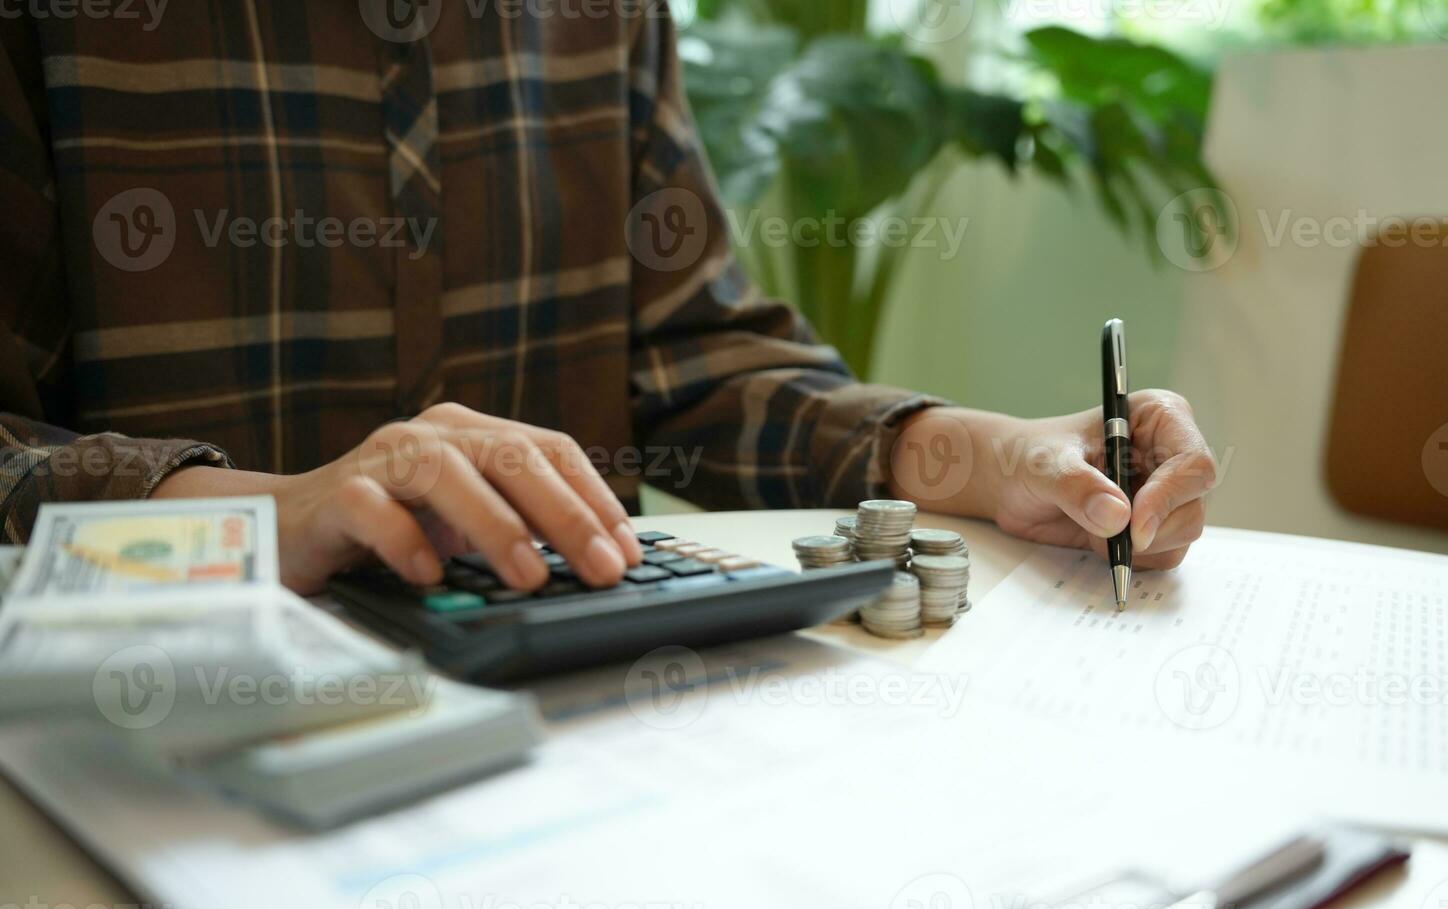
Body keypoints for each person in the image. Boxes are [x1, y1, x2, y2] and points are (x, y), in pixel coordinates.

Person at [0, 2, 1216, 596]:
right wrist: (272, 512)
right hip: (146, 750)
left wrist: (985, 454)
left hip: (588, 742)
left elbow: (697, 357)